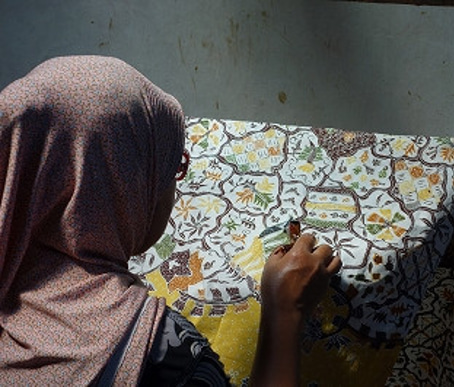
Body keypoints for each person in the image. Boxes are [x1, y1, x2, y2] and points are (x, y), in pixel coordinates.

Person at [0, 56, 342, 386]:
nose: (174, 185)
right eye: (170, 165)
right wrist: (285, 316)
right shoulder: (160, 354)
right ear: (123, 187)